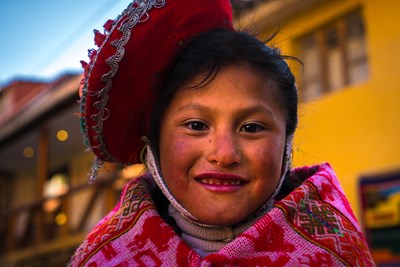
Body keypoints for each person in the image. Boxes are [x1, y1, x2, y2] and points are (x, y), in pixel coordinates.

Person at [70, 0, 374, 266]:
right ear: (154, 142)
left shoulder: (338, 254)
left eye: (251, 128)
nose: (224, 154)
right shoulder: (105, 257)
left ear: (287, 142)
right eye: (196, 125)